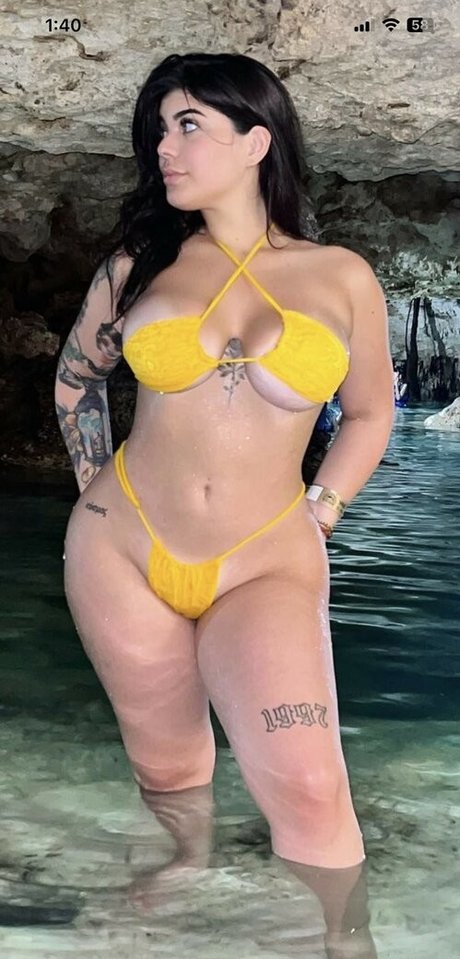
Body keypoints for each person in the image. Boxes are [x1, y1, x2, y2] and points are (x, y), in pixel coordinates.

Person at [55, 52, 394, 956]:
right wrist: (95, 496)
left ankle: (347, 938)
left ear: (256, 140)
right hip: (123, 553)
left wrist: (323, 508)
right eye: (158, 131)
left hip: (265, 558)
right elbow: (76, 381)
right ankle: (187, 865)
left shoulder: (341, 275)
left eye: (188, 125)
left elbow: (370, 412)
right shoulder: (137, 266)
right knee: (169, 765)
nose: (163, 149)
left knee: (312, 784)